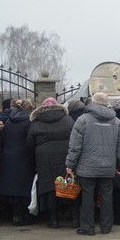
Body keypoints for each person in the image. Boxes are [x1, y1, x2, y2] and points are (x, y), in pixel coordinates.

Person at [65, 92, 120, 236]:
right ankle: (106, 227)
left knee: (87, 196)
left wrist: (70, 164)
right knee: (107, 196)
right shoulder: (116, 122)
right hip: (108, 166)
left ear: (92, 102)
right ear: (106, 103)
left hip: (87, 167)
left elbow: (75, 146)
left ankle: (87, 227)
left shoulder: (82, 120)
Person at [27, 97, 76, 228]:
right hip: (65, 153)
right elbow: (75, 137)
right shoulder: (67, 119)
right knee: (68, 183)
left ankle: (54, 221)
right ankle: (74, 218)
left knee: (50, 186)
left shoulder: (36, 122)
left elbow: (29, 142)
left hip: (44, 156)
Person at [0, 99, 36, 226]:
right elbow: (30, 141)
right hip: (23, 156)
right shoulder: (28, 122)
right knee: (22, 186)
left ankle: (12, 214)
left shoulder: (9, 121)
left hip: (8, 156)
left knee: (12, 186)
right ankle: (19, 217)